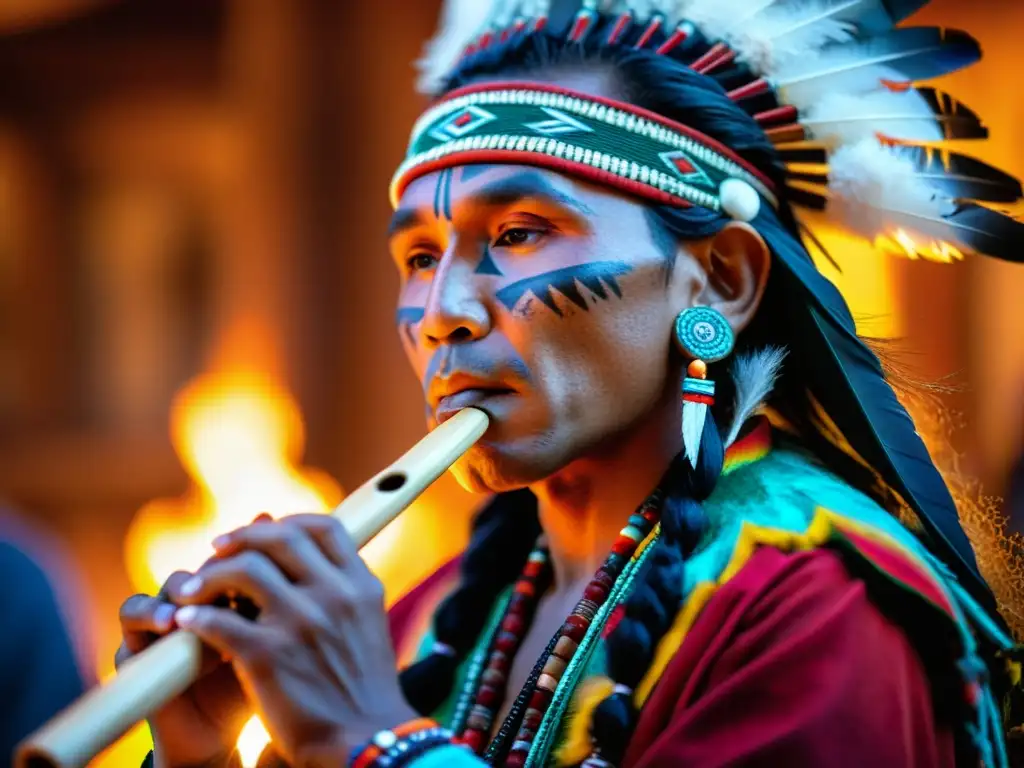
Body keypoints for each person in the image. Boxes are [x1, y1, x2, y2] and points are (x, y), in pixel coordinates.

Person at [114, 2, 1024, 767]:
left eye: (518, 233)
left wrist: (369, 737)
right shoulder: (436, 616)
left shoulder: (822, 610)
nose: (442, 312)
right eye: (419, 256)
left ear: (721, 280)